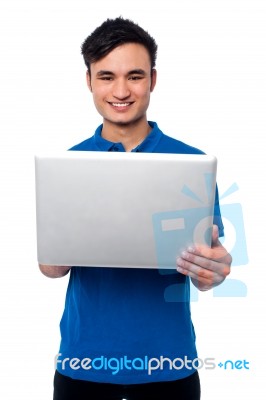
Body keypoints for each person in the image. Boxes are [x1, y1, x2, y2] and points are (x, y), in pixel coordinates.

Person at [39, 17, 232, 400]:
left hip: (169, 368)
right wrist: (56, 257)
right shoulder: (67, 165)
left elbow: (208, 263)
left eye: (135, 76)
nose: (121, 90)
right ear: (89, 81)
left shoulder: (191, 164)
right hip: (84, 366)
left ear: (153, 81)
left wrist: (215, 270)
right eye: (107, 76)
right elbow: (50, 268)